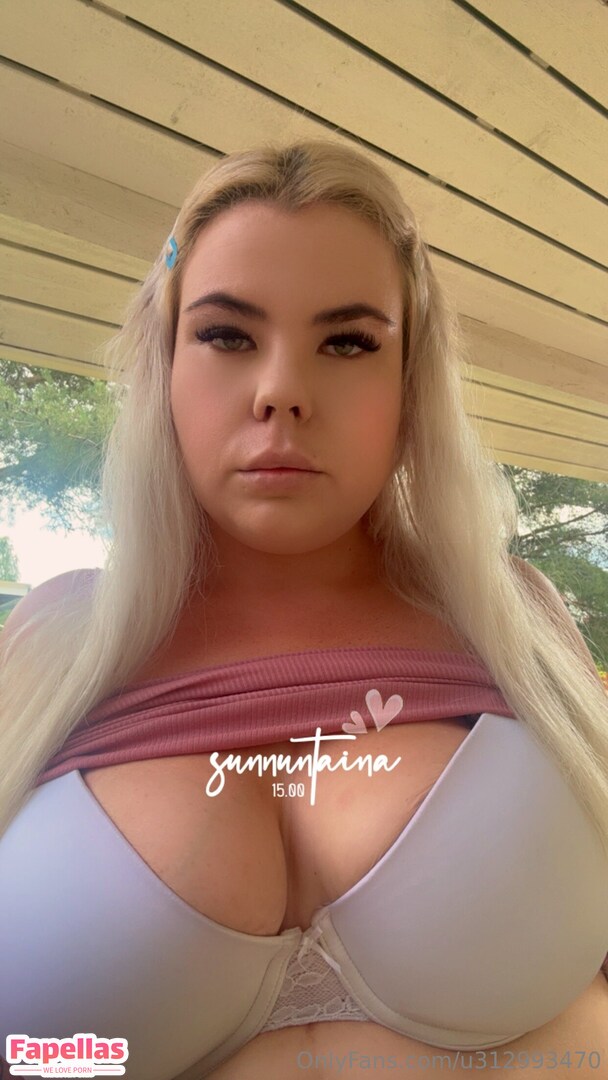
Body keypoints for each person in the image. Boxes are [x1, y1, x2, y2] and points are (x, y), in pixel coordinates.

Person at [1, 139, 607, 1080]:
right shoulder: (51, 640)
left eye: (348, 342)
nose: (281, 391)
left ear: (409, 384)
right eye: (226, 335)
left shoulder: (512, 617)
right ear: (164, 364)